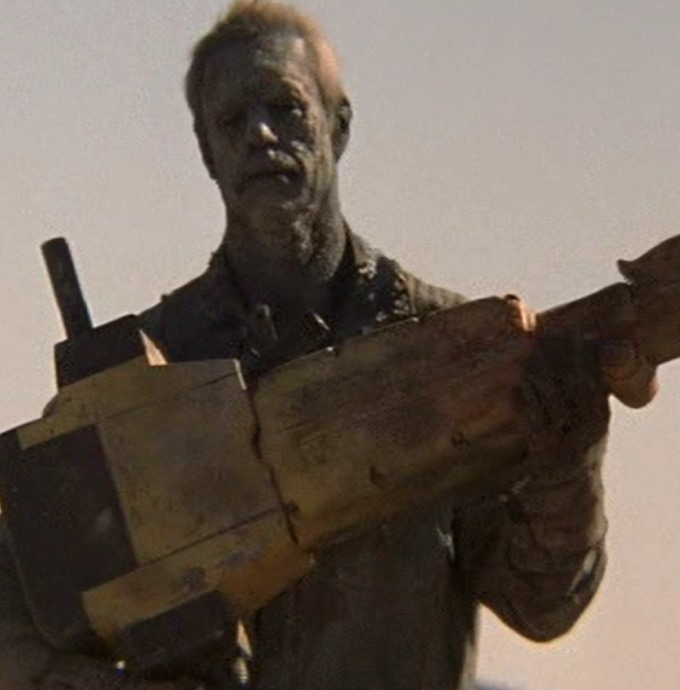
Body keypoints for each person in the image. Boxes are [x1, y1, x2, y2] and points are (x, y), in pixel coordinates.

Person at [0, 2, 658, 689]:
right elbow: (19, 601)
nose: (260, 134)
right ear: (206, 152)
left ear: (338, 125)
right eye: (233, 120)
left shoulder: (453, 353)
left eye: (285, 107)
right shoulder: (143, 381)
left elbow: (541, 605)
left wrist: (568, 462)